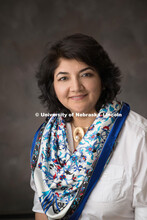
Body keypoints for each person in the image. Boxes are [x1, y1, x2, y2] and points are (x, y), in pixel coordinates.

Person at [30, 33, 147, 220]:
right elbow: (43, 209)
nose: (76, 87)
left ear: (102, 79)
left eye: (86, 74)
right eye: (63, 78)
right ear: (53, 86)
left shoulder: (138, 135)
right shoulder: (48, 137)